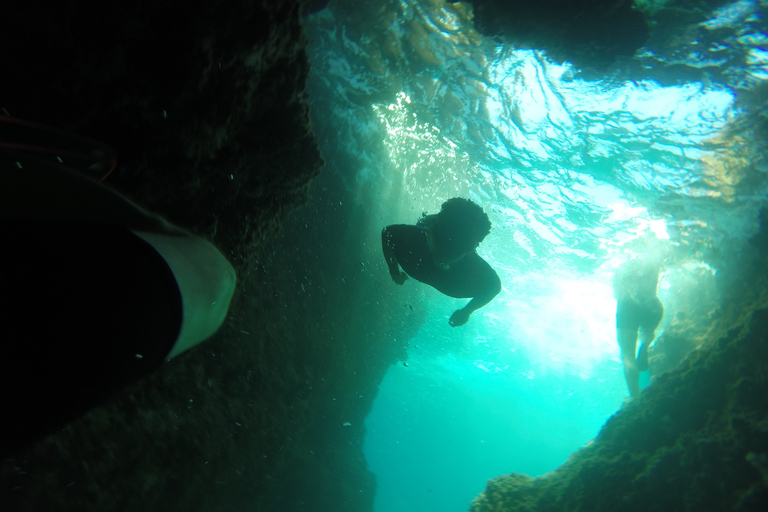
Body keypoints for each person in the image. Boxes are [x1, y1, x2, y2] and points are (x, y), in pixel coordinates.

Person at [0, 145, 236, 456]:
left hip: (147, 293)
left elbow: (149, 223)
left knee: (218, 275)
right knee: (218, 282)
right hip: (140, 322)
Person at [382, 198, 501, 326]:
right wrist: (393, 270)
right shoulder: (412, 238)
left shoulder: (476, 271)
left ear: (471, 249)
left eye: (454, 249)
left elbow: (494, 288)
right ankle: (435, 221)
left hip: (442, 231)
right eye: (440, 241)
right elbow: (387, 233)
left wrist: (467, 311)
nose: (443, 254)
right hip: (430, 228)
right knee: (426, 223)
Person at [613, 258, 663, 398]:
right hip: (654, 307)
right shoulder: (653, 261)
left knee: (627, 353)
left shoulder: (622, 266)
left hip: (629, 307)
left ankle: (636, 397)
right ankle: (644, 346)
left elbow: (617, 294)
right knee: (647, 334)